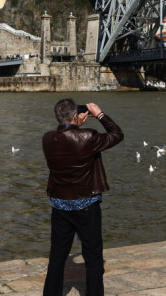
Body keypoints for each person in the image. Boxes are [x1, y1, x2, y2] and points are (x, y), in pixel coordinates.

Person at [42, 98, 124, 296]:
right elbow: (117, 135)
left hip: (60, 205)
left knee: (57, 257)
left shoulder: (47, 138)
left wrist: (75, 124)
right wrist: (100, 114)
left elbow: (68, 138)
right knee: (93, 256)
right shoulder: (88, 137)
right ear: (75, 115)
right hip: (86, 205)